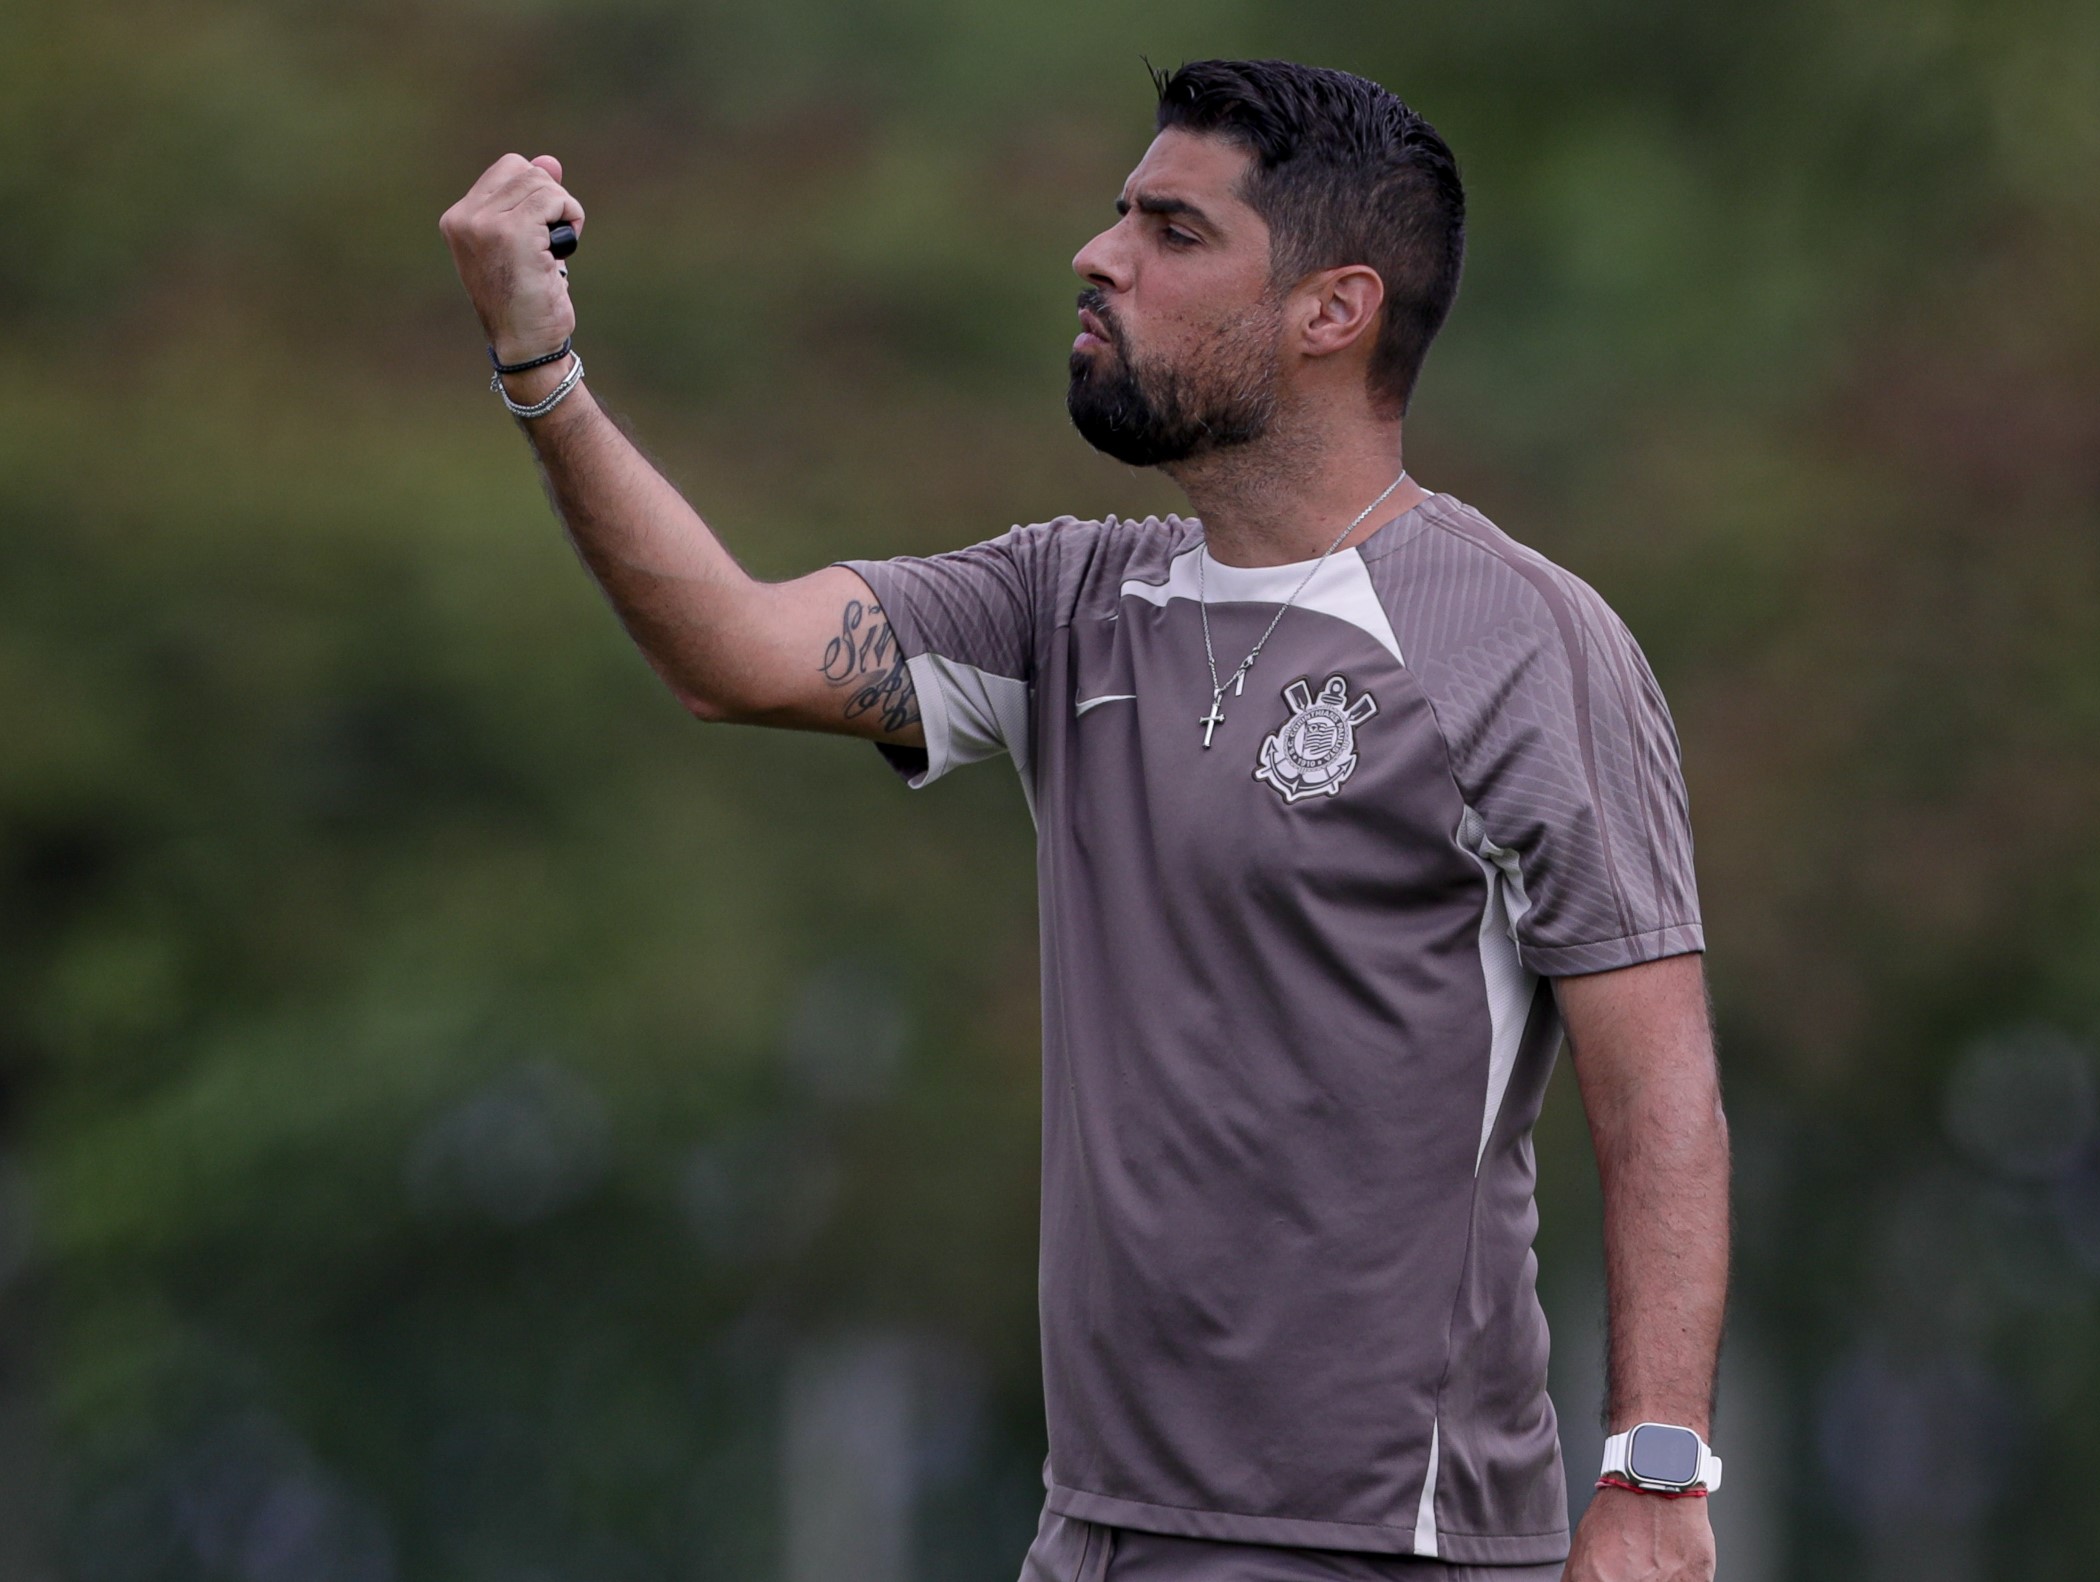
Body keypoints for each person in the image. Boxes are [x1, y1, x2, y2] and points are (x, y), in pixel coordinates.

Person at [439, 57, 1729, 1582]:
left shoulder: (1517, 643)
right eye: (1119, 213)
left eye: (1172, 233)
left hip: (1378, 1545)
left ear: (1334, 310)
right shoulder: (1068, 600)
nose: (1098, 254)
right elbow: (731, 649)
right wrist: (544, 364)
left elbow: (1659, 1098)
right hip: (1093, 1536)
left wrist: (1652, 1474)